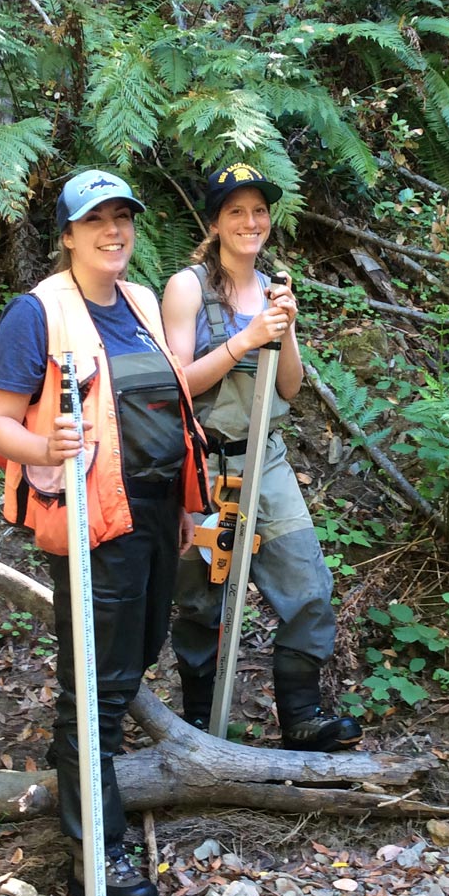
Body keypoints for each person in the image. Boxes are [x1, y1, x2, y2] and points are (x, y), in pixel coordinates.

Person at [0, 169, 209, 896]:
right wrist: (45, 446)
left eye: (123, 218)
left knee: (135, 657)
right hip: (91, 519)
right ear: (69, 234)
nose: (114, 232)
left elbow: (162, 409)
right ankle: (95, 851)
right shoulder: (38, 312)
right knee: (99, 687)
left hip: (151, 513)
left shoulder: (140, 303)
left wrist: (183, 501)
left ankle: (76, 769)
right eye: (97, 220)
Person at [161, 162, 362, 753]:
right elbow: (178, 385)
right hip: (200, 461)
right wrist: (246, 339)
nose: (251, 222)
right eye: (236, 212)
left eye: (259, 211)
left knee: (308, 583)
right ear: (216, 222)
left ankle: (302, 715)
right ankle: (199, 724)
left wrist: (286, 327)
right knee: (198, 600)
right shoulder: (188, 287)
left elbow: (290, 388)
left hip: (264, 461)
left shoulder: (274, 285)